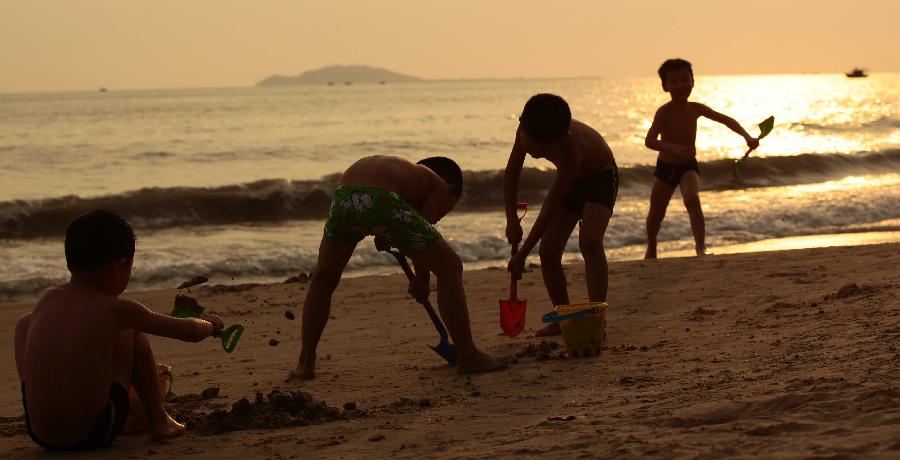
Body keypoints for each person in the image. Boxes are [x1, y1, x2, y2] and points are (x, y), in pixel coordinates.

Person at [14, 210, 223, 450]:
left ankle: (42, 404)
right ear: (119, 267)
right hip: (95, 433)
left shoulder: (47, 298)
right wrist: (209, 323)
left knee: (25, 324)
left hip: (40, 434)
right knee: (130, 330)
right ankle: (161, 421)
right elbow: (189, 332)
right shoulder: (117, 310)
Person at [290, 155, 505, 379]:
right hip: (381, 198)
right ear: (451, 191)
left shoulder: (405, 174)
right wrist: (421, 279)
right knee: (450, 267)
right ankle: (468, 355)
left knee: (324, 278)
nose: (440, 218)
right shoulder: (439, 186)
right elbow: (421, 239)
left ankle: (305, 362)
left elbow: (393, 220)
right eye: (448, 209)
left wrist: (385, 232)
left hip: (344, 195)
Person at [504, 94, 618, 337]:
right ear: (522, 124)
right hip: (573, 182)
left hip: (600, 177)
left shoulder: (571, 151)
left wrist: (522, 254)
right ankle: (562, 316)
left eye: (545, 148)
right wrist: (511, 221)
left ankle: (597, 316)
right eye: (532, 144)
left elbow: (550, 206)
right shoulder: (523, 132)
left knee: (590, 241)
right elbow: (511, 174)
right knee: (548, 251)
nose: (536, 152)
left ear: (562, 138)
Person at [645, 58, 760, 258]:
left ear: (693, 81)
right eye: (674, 81)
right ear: (665, 86)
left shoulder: (696, 109)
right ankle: (652, 247)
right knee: (656, 212)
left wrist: (747, 136)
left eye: (685, 80)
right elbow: (650, 140)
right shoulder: (664, 112)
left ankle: (700, 248)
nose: (680, 85)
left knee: (692, 198)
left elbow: (725, 120)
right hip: (665, 167)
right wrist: (674, 148)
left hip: (687, 166)